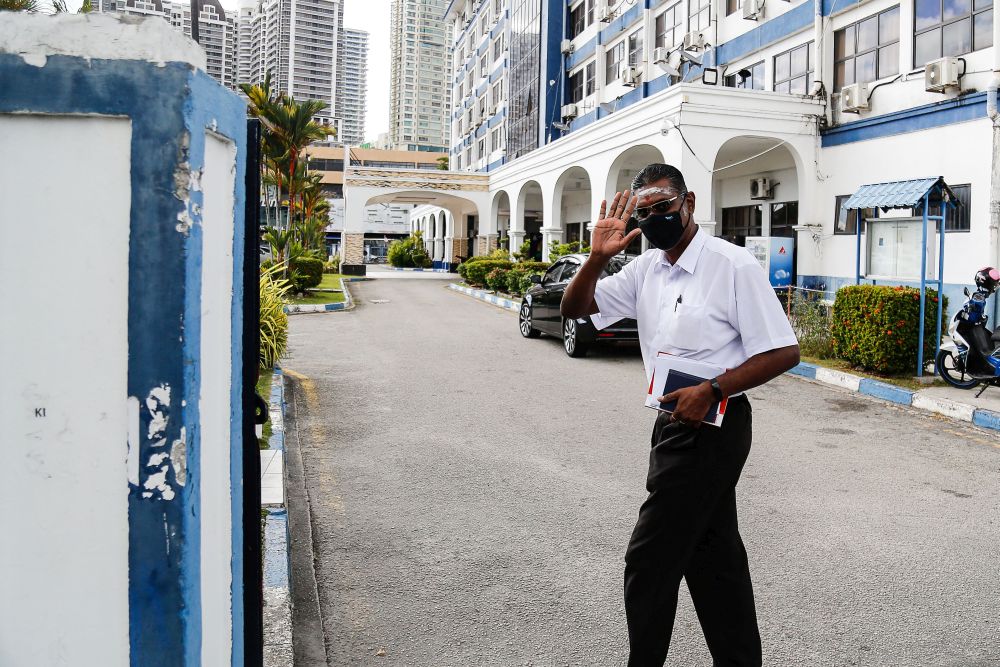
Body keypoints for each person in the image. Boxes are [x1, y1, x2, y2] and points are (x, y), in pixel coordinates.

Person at [561, 163, 800, 666]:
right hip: (671, 424)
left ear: (688, 201)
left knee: (648, 560)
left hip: (716, 424)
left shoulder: (732, 266)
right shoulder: (646, 268)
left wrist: (712, 389)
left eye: (662, 207)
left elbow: (783, 352)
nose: (653, 218)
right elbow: (574, 309)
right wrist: (595, 259)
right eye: (643, 212)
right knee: (714, 558)